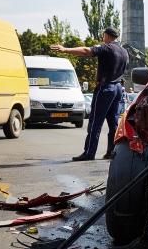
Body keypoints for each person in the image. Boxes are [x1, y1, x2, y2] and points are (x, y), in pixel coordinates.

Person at [50, 27, 128, 161]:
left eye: (104, 36)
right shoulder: (124, 51)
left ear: (107, 36)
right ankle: (111, 151)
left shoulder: (107, 47)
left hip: (106, 88)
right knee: (113, 123)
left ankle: (89, 153)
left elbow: (87, 51)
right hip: (118, 89)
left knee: (95, 123)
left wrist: (65, 50)